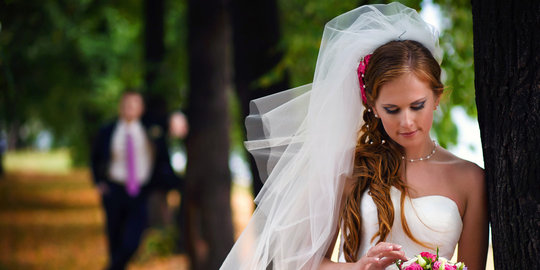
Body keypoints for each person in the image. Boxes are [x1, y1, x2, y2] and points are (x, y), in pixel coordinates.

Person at [221, 3, 488, 270]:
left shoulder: (470, 179)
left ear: (437, 98)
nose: (407, 121)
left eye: (417, 105)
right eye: (392, 109)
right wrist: (359, 268)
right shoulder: (350, 168)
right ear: (372, 106)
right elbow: (301, 264)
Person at [91, 90, 178, 270]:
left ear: (141, 108)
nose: (130, 108)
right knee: (114, 239)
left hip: (140, 192)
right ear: (120, 107)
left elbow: (171, 124)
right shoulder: (108, 130)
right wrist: (98, 182)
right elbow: (95, 157)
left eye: (134, 104)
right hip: (114, 190)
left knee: (132, 240)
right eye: (126, 104)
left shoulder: (150, 130)